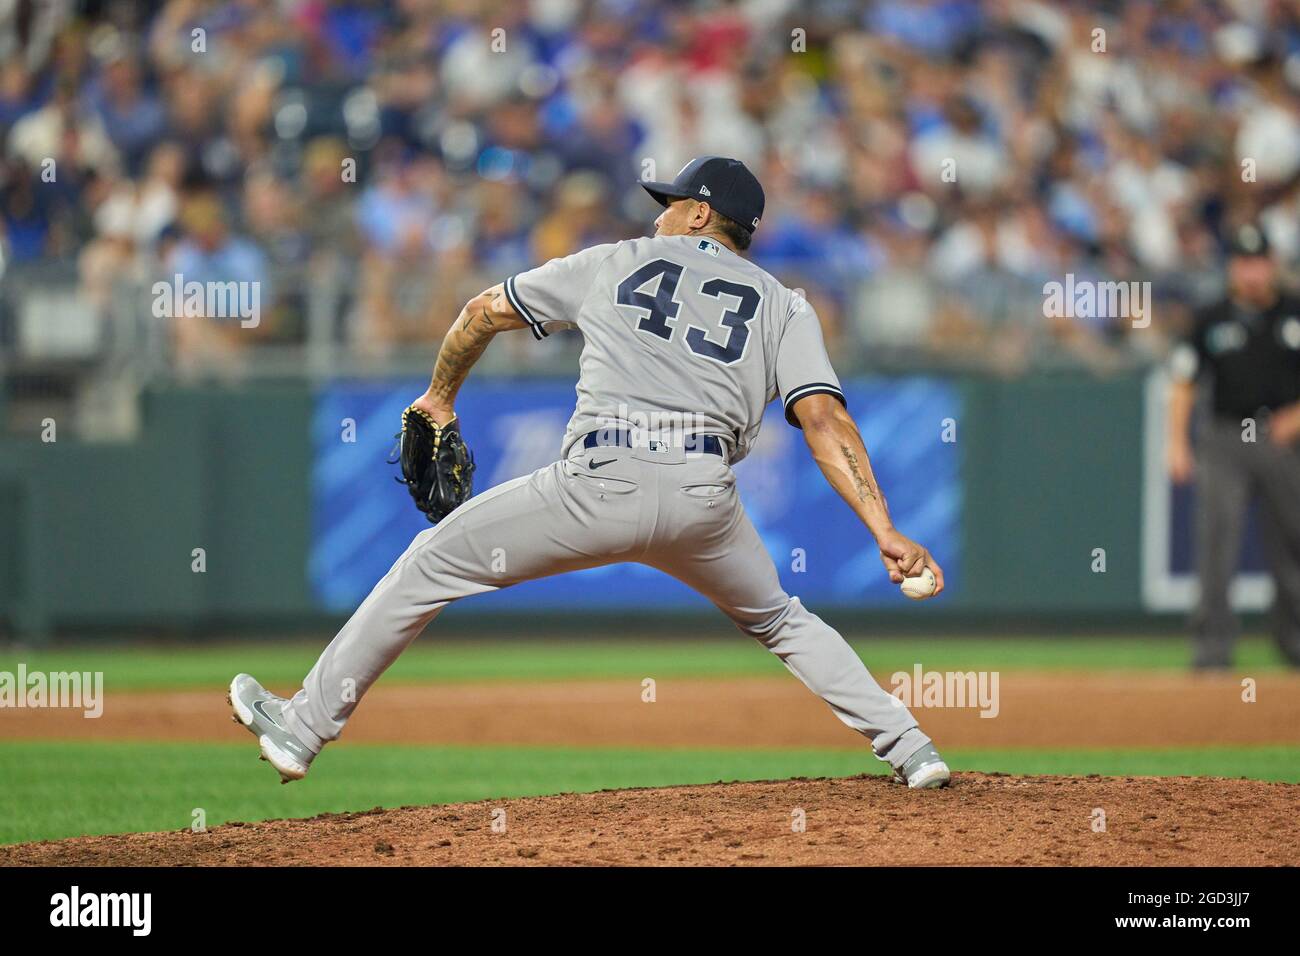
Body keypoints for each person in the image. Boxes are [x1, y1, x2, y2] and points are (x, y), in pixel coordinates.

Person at [229, 157, 952, 789]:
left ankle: (301, 729)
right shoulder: (787, 306)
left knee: (429, 563)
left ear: (701, 211)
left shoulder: (616, 259)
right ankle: (913, 750)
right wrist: (884, 529)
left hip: (600, 480)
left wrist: (440, 395)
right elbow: (825, 421)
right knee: (781, 620)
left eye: (671, 201)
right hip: (706, 498)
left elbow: (482, 311)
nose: (660, 212)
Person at [1168, 223, 1300, 669]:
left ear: (1272, 265)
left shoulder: (1294, 312)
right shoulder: (1211, 317)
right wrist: (1176, 445)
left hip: (1284, 439)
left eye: (1259, 262)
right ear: (1232, 268)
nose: (1252, 272)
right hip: (1225, 437)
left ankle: (1295, 642)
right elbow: (1183, 382)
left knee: (1293, 542)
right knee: (1217, 542)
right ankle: (1212, 648)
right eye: (1244, 263)